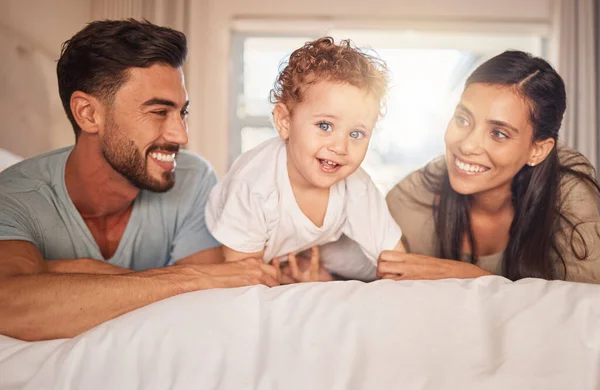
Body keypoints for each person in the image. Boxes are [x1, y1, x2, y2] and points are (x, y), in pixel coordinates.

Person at [0, 19, 279, 342]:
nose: (181, 135)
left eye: (182, 112)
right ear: (88, 114)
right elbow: (8, 304)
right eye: (159, 112)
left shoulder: (191, 178)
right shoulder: (16, 195)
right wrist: (189, 278)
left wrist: (61, 271)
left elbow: (214, 300)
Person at [381, 50, 600, 284]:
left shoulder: (569, 189)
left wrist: (467, 277)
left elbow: (585, 307)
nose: (467, 145)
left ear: (538, 150)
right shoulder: (410, 201)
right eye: (463, 120)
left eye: (498, 133)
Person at [205, 37, 405, 281]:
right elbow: (243, 278)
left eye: (356, 133)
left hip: (306, 244)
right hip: (228, 244)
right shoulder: (254, 185)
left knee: (366, 270)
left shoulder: (356, 186)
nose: (340, 147)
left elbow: (398, 265)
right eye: (324, 125)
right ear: (285, 122)